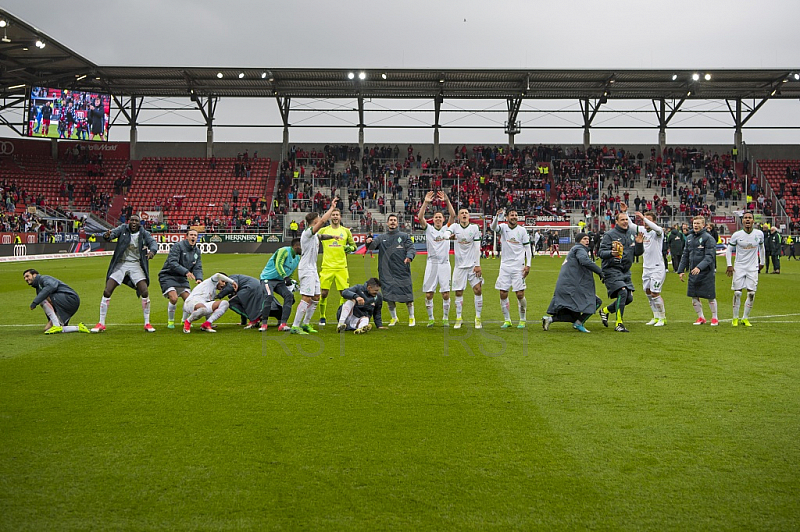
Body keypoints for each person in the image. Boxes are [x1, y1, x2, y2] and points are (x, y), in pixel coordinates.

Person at [90, 215, 158, 333]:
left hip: (136, 264)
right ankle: (101, 323)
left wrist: (152, 252)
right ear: (129, 221)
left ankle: (147, 323)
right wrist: (107, 236)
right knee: (107, 290)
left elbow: (152, 242)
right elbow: (111, 235)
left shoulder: (143, 233)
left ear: (139, 223)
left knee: (145, 291)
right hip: (120, 264)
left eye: (136, 221)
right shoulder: (123, 229)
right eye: (132, 220)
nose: (133, 222)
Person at [291, 199, 339, 335]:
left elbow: (322, 236)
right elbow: (323, 222)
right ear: (315, 222)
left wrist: (333, 236)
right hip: (306, 268)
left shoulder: (314, 235)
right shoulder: (307, 233)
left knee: (316, 297)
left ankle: (305, 324)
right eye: (318, 219)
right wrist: (331, 208)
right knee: (306, 297)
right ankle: (295, 325)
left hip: (312, 269)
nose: (320, 220)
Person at [542, 233, 603, 333]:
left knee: (574, 314)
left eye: (588, 239)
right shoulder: (579, 249)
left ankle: (549, 319)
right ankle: (579, 324)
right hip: (572, 287)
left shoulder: (576, 249)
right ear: (579, 241)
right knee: (596, 302)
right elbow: (584, 261)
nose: (587, 241)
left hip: (568, 285)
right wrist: (600, 272)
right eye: (584, 239)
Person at [598, 209, 644, 332]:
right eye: (622, 220)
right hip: (611, 270)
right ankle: (619, 323)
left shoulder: (632, 234)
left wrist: (639, 244)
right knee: (622, 293)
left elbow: (638, 253)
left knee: (629, 298)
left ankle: (605, 311)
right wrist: (611, 253)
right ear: (617, 222)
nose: (625, 222)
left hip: (625, 271)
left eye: (626, 220)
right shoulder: (609, 235)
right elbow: (601, 252)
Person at [366, 214, 416, 326]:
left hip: (402, 270)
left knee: (407, 295)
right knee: (389, 296)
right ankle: (394, 318)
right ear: (387, 223)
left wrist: (409, 256)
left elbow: (411, 248)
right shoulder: (381, 237)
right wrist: (368, 241)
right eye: (391, 220)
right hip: (386, 272)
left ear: (397, 223)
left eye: (394, 220)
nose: (393, 222)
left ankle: (411, 317)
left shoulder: (404, 236)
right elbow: (371, 247)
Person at [418, 191, 455, 327]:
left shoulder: (447, 229)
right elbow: (420, 217)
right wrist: (426, 202)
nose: (438, 219)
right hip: (431, 264)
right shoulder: (429, 229)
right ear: (433, 220)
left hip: (444, 264)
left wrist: (447, 200)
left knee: (445, 294)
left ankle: (445, 318)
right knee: (429, 294)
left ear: (443, 220)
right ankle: (431, 319)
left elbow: (453, 215)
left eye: (440, 217)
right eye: (436, 217)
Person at [490, 208, 532, 328]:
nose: (514, 217)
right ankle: (507, 320)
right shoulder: (503, 227)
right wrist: (496, 217)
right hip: (505, 266)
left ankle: (522, 320)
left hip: (518, 266)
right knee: (503, 293)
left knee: (519, 294)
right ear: (507, 217)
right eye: (511, 215)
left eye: (515, 215)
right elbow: (493, 228)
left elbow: (527, 249)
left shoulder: (522, 231)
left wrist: (528, 265)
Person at [316, 208, 356, 326]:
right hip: (327, 267)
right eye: (333, 215)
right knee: (323, 293)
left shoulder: (346, 231)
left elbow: (354, 246)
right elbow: (314, 236)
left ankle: (341, 316)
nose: (335, 217)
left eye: (337, 215)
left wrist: (351, 248)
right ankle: (322, 316)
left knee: (344, 293)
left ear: (340, 217)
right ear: (330, 217)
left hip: (341, 267)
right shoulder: (324, 230)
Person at [157, 229, 203, 329]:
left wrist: (199, 278)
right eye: (191, 235)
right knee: (174, 298)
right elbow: (172, 262)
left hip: (182, 277)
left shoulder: (197, 251)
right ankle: (170, 321)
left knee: (189, 300)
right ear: (186, 237)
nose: (193, 237)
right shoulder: (178, 246)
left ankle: (184, 321)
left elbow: (197, 266)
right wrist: (186, 272)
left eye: (195, 235)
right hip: (168, 275)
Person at [726, 212, 765, 327]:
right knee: (737, 293)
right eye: (745, 218)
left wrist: (762, 262)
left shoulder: (759, 234)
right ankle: (735, 318)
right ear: (742, 221)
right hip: (739, 267)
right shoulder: (737, 235)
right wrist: (729, 264)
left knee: (751, 293)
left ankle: (745, 318)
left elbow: (762, 247)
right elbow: (729, 250)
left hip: (753, 267)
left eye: (750, 218)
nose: (747, 220)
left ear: (753, 220)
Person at [678, 216, 719, 325]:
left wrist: (699, 267)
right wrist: (681, 270)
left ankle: (715, 318)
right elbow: (685, 254)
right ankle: (701, 317)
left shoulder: (708, 238)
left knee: (710, 296)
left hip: (706, 272)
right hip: (693, 272)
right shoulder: (690, 238)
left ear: (703, 225)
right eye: (694, 223)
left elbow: (710, 257)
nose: (696, 225)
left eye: (698, 223)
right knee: (694, 295)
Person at [24, 269, 89, 334]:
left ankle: (56, 325)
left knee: (42, 297)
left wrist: (35, 302)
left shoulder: (44, 278)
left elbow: (51, 286)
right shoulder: (38, 287)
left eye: (27, 276)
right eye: (24, 278)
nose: (26, 279)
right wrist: (51, 321)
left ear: (34, 275)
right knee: (48, 329)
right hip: (66, 303)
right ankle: (78, 327)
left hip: (69, 298)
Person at [449, 206, 484, 329]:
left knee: (478, 290)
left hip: (472, 266)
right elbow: (447, 232)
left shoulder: (474, 228)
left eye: (466, 213)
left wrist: (477, 264)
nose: (464, 214)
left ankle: (478, 318)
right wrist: (447, 236)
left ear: (469, 216)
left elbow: (476, 246)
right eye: (462, 213)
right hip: (459, 266)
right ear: (458, 217)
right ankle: (459, 318)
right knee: (458, 292)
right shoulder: (455, 227)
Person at [632, 211, 668, 326]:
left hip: (657, 268)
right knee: (648, 292)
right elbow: (631, 225)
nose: (645, 222)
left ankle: (663, 318)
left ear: (654, 221)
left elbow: (656, 228)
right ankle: (656, 317)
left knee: (655, 293)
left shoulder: (658, 232)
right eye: (644, 220)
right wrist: (625, 212)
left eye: (648, 220)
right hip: (646, 268)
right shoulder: (642, 231)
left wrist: (643, 217)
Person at [260, 238, 302, 331]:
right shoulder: (284, 251)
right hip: (267, 278)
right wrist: (285, 277)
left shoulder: (297, 258)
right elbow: (278, 264)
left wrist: (290, 282)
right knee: (269, 296)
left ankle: (283, 324)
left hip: (280, 281)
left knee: (289, 296)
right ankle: (264, 324)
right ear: (297, 246)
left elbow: (291, 272)